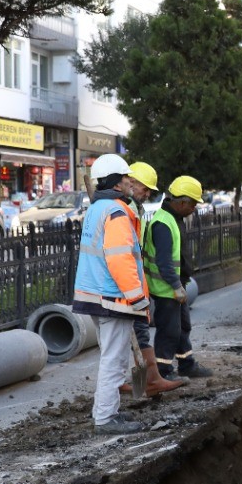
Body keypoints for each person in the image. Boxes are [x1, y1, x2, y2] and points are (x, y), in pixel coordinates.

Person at [71, 154, 157, 434]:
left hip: (96, 295)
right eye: (126, 179)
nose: (130, 183)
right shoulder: (117, 213)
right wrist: (137, 298)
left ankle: (108, 413)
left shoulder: (98, 209)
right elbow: (120, 260)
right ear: (117, 184)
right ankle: (106, 419)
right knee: (113, 359)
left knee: (114, 357)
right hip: (113, 298)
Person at [115, 160, 184, 400]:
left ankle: (138, 385)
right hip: (126, 282)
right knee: (137, 333)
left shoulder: (136, 209)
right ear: (132, 183)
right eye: (146, 189)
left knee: (133, 334)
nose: (148, 194)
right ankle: (148, 382)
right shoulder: (123, 210)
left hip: (134, 279)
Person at [145, 175, 215, 380]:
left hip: (176, 286)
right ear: (182, 202)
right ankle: (164, 372)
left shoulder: (175, 219)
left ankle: (187, 364)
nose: (194, 208)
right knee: (169, 331)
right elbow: (164, 262)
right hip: (166, 289)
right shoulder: (163, 224)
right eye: (193, 203)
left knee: (183, 327)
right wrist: (175, 286)